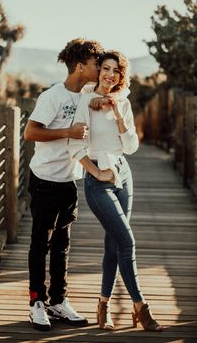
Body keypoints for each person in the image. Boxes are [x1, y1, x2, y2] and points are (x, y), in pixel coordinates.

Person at [68, 50, 163, 332]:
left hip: (123, 173)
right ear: (99, 71)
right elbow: (76, 146)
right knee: (127, 241)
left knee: (114, 243)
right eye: (105, 68)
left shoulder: (123, 102)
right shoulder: (85, 101)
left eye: (116, 70)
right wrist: (96, 172)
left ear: (121, 76)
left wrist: (119, 115)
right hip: (98, 178)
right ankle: (140, 306)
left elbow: (131, 147)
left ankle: (103, 304)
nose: (110, 74)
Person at [24, 38, 104, 331]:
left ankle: (58, 301)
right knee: (40, 244)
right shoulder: (52, 96)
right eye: (96, 64)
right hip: (45, 181)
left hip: (69, 181)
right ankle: (37, 303)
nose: (99, 68)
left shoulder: (86, 94)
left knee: (62, 245)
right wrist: (67, 131)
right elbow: (30, 133)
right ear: (80, 67)